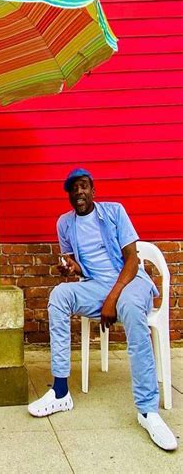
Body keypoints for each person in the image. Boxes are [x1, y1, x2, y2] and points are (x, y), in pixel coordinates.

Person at [28, 167, 178, 451]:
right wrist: (71, 268)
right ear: (69, 195)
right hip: (95, 287)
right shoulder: (65, 224)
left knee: (130, 309)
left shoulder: (114, 212)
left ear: (93, 190)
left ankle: (148, 411)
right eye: (73, 188)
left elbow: (132, 260)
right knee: (59, 296)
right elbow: (77, 265)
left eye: (84, 186)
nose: (79, 192)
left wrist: (113, 297)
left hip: (130, 282)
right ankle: (60, 392)